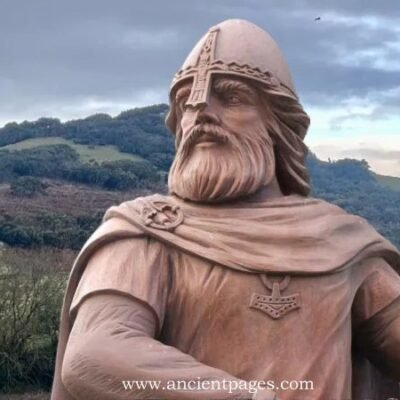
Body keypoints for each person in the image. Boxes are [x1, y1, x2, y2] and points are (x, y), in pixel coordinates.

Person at [51, 19, 400, 400]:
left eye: (231, 97)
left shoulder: (339, 242)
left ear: (277, 124)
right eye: (186, 103)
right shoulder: (148, 232)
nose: (201, 113)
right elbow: (97, 352)